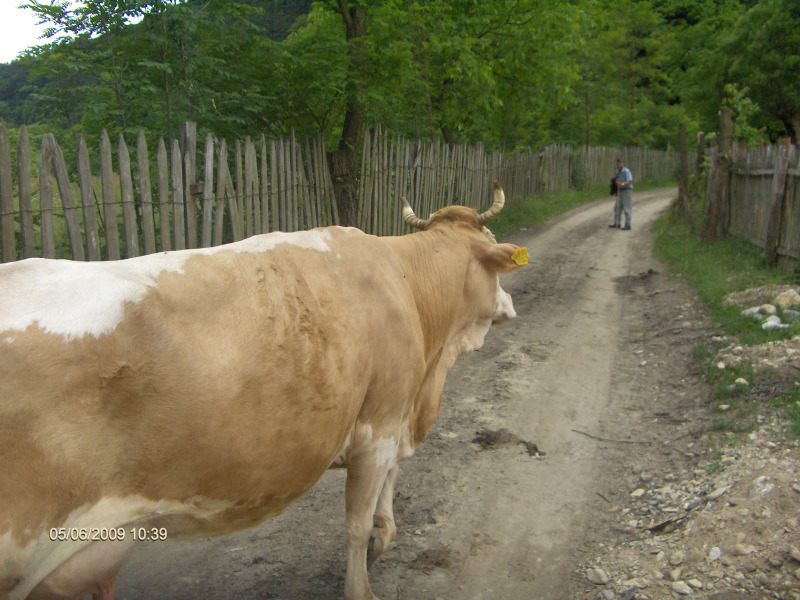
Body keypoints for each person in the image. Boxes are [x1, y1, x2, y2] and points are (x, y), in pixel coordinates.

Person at [609, 158, 633, 230]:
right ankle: (617, 223)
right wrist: (616, 182)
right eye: (617, 164)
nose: (618, 165)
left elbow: (629, 181)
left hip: (626, 190)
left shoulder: (626, 171)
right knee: (617, 207)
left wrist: (621, 184)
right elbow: (616, 179)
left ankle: (628, 225)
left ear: (623, 164)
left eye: (619, 163)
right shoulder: (618, 172)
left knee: (626, 207)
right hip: (620, 190)